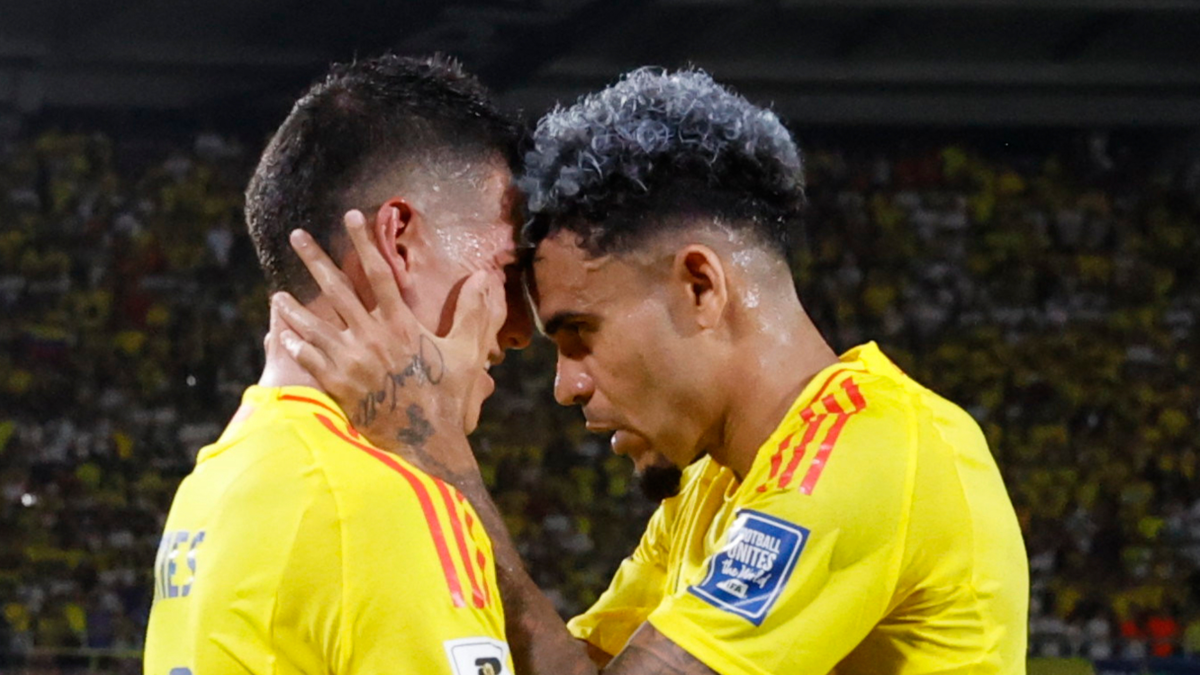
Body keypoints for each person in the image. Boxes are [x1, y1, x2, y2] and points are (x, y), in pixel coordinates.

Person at [275, 67, 1029, 674]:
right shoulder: (709, 488)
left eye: (580, 333)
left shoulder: (871, 450)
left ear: (700, 285)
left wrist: (435, 451)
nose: (567, 385)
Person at [144, 53, 532, 675]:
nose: (518, 328)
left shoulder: (214, 478)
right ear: (398, 242)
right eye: (505, 269)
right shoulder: (384, 503)